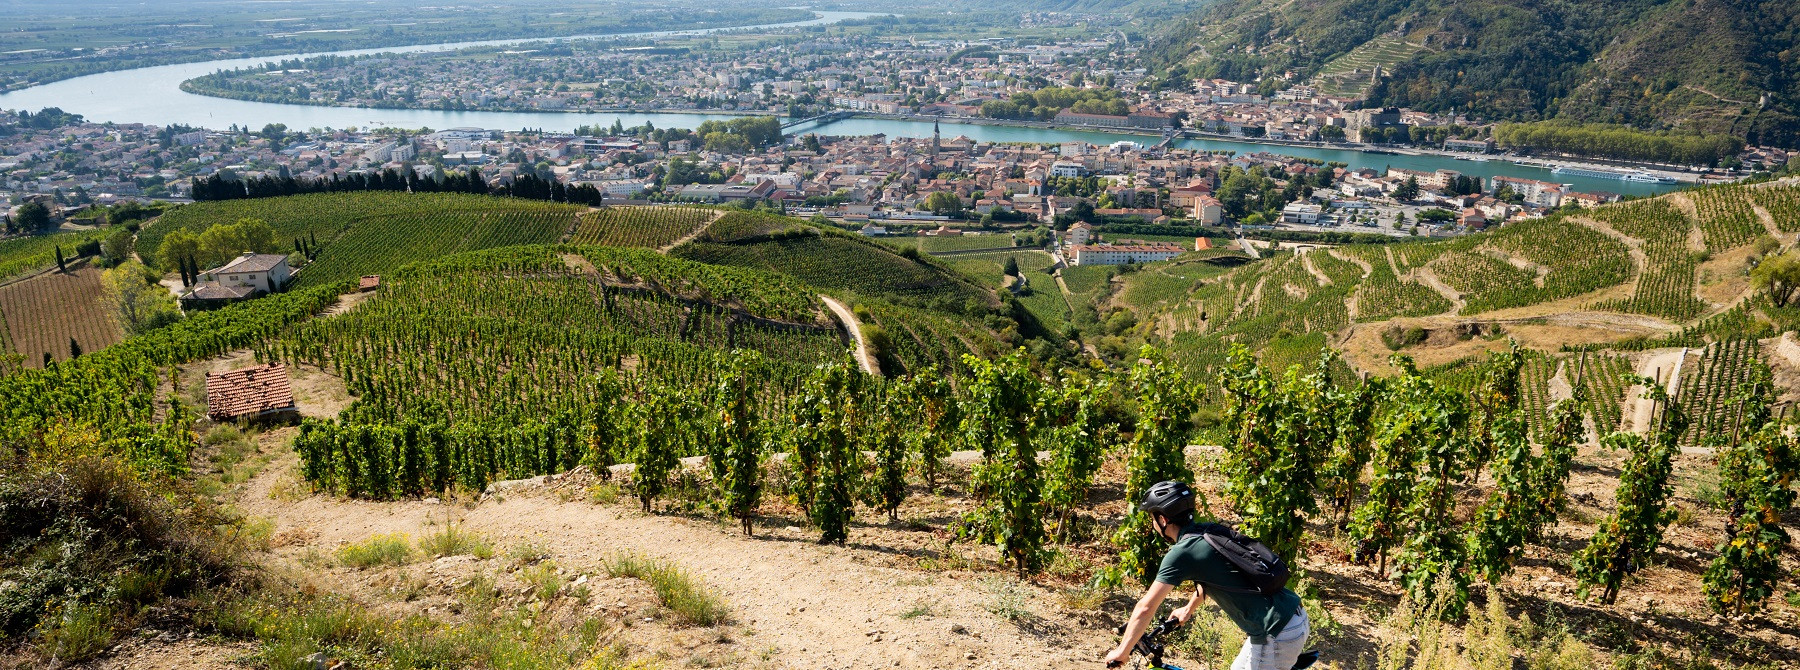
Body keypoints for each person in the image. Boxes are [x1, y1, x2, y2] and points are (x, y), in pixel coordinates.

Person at [1103, 481, 1309, 669]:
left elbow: (1146, 607)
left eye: (1152, 518)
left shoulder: (1182, 552)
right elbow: (1215, 576)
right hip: (1290, 616)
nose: (1153, 524)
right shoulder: (1206, 532)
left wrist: (1122, 651)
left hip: (1275, 632)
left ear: (1163, 519)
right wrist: (1188, 608)